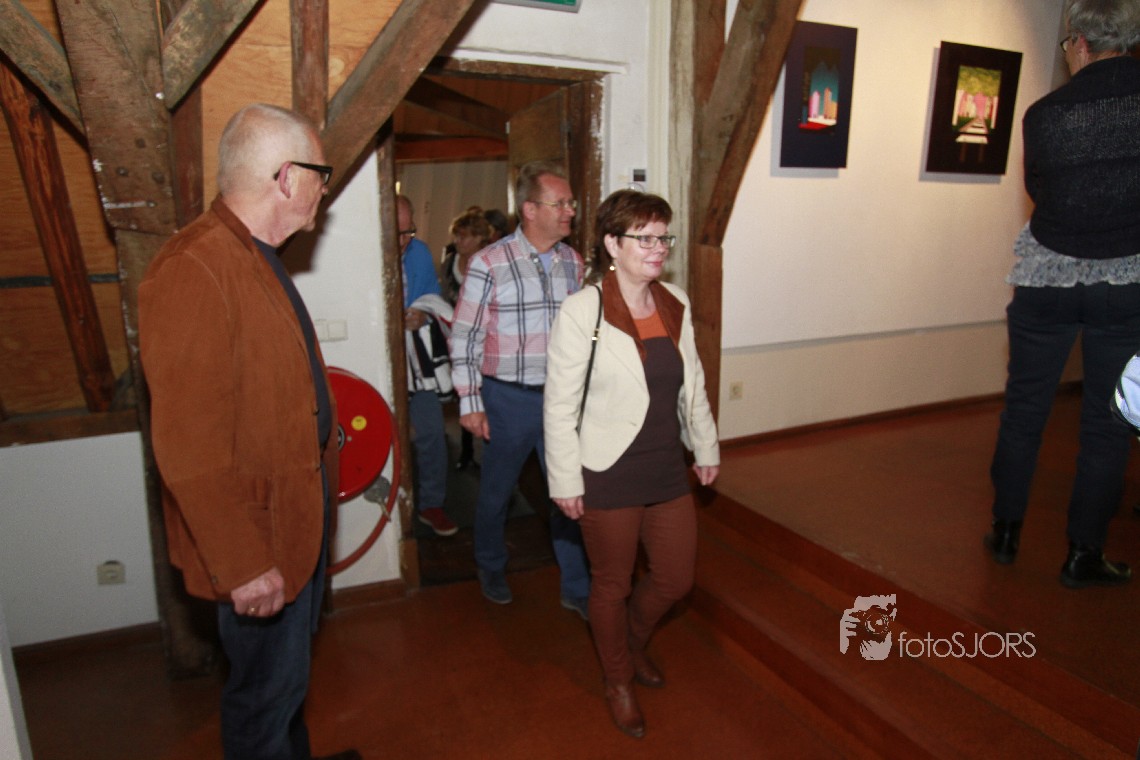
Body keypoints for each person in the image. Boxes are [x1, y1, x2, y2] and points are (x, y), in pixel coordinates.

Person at [138, 104, 359, 760]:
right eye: (321, 174)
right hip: (258, 541)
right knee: (263, 698)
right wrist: (241, 562)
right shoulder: (194, 266)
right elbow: (188, 446)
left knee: (286, 686)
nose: (325, 189)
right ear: (287, 177)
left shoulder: (252, 254)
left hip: (294, 518)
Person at [543, 189, 719, 738]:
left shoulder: (674, 302)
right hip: (607, 470)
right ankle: (618, 678)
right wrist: (565, 479)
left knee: (675, 578)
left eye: (663, 236)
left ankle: (631, 644)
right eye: (645, 238)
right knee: (612, 585)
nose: (658, 247)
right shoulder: (583, 310)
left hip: (665, 466)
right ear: (612, 244)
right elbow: (560, 404)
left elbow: (692, 383)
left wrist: (705, 445)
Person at [984, 0, 1140, 589]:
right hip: (1126, 283)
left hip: (1048, 275)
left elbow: (1039, 188)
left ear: (1078, 42)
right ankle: (1083, 554)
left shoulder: (1046, 114)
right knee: (1107, 422)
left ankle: (1005, 532)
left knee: (1025, 409)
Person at [449, 160, 591, 616]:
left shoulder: (573, 263)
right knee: (497, 491)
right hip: (507, 398)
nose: (570, 211)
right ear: (530, 209)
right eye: (560, 203)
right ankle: (490, 564)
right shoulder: (489, 263)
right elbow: (464, 336)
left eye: (571, 202)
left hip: (562, 400)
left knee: (568, 490)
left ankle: (577, 584)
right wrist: (470, 402)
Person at [399, 195, 459, 537]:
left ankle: (432, 504)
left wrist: (423, 314)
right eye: (398, 233)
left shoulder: (419, 252)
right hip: (382, 360)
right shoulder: (364, 251)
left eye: (410, 231)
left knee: (433, 433)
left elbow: (434, 299)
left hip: (417, 361)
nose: (405, 240)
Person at [441, 207, 494, 470]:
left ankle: (491, 448)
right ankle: (466, 452)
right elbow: (441, 294)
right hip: (454, 334)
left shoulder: (490, 263)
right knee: (464, 393)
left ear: (479, 238)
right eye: (457, 236)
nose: (458, 241)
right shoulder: (449, 263)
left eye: (464, 236)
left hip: (486, 339)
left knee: (486, 394)